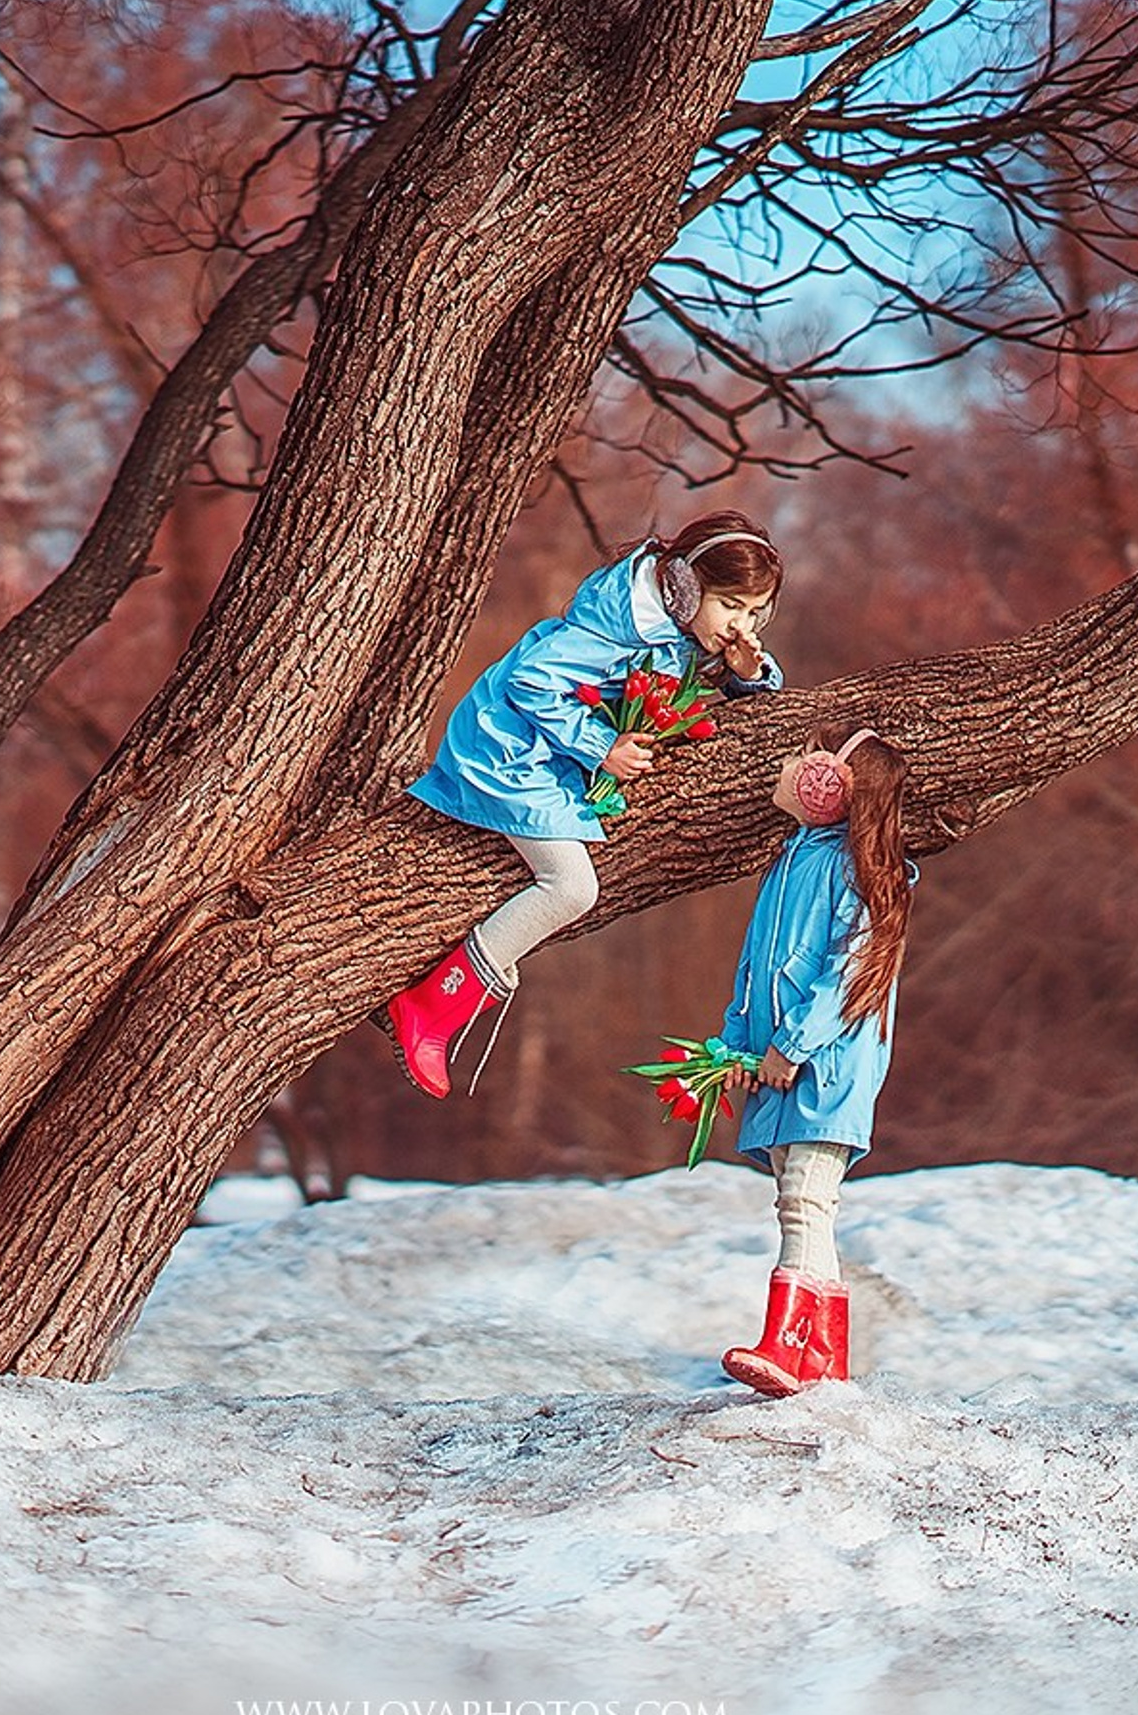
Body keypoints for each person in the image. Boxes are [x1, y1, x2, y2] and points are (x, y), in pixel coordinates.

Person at [388, 512, 785, 1098]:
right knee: (571, 888)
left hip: (546, 753)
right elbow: (529, 682)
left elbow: (690, 675)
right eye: (731, 606)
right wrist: (603, 748)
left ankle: (443, 1001)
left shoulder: (680, 630)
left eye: (755, 612)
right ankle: (431, 1006)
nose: (740, 624)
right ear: (685, 586)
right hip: (508, 748)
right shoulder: (618, 623)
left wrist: (748, 673)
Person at [715, 725, 914, 1396]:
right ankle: (821, 1359)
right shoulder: (792, 860)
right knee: (803, 1203)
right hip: (779, 1061)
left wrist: (791, 1045)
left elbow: (850, 973)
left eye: (807, 757)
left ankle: (787, 1345)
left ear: (829, 786)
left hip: (825, 1064)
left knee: (804, 1197)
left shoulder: (855, 872)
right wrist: (739, 1046)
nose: (792, 763)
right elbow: (754, 971)